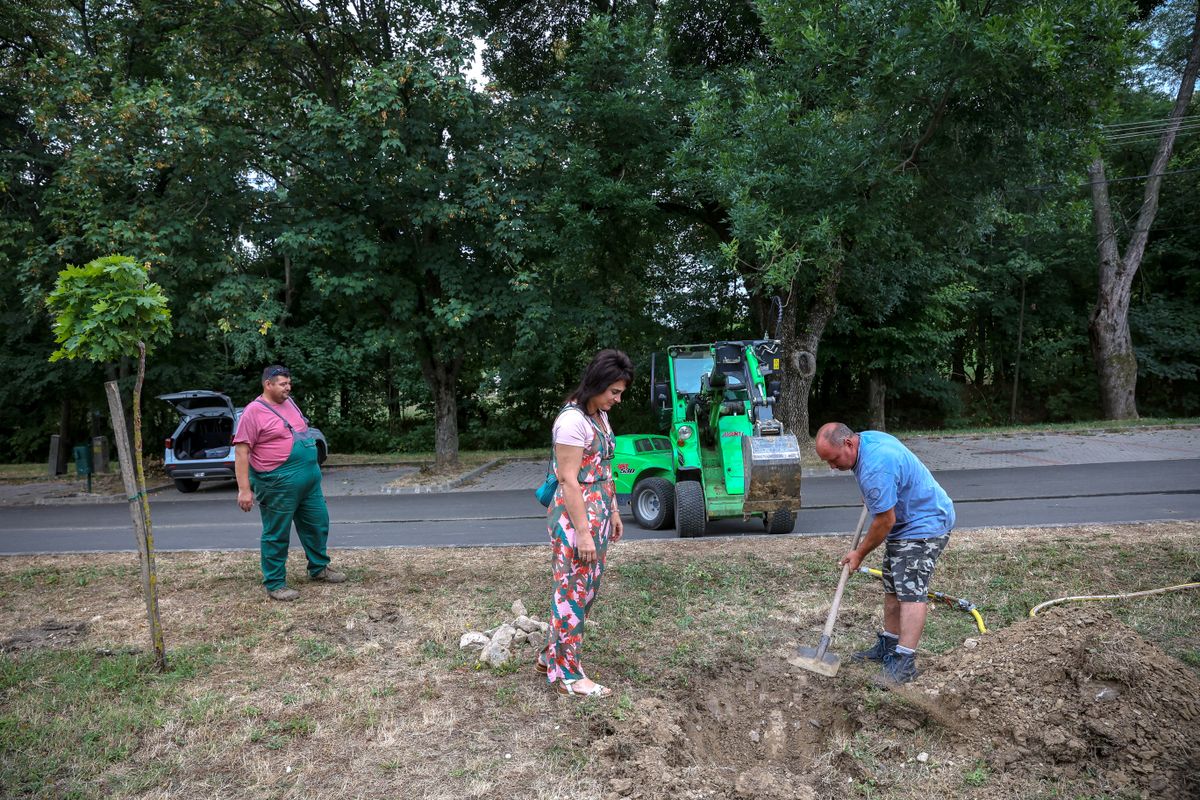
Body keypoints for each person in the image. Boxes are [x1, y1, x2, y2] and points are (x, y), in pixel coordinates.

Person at [814, 422, 955, 684]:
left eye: (833, 460)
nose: (832, 467)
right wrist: (876, 495)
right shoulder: (866, 442)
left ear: (848, 443)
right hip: (905, 523)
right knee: (893, 586)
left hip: (924, 524)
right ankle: (890, 646)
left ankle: (904, 663)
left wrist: (859, 554)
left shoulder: (875, 466)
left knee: (910, 591)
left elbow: (884, 521)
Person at [536, 349, 633, 698]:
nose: (617, 399)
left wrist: (616, 512)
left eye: (620, 393)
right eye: (614, 392)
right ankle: (569, 676)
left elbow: (604, 470)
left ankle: (551, 658)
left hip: (600, 514)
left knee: (585, 592)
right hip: (575, 519)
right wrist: (583, 532)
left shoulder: (600, 415)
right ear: (598, 383)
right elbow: (569, 481)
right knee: (572, 592)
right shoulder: (572, 422)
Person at [234, 365, 345, 601]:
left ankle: (319, 568)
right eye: (283, 384)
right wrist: (244, 490)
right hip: (277, 485)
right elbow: (242, 453)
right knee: (277, 534)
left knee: (318, 523)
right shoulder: (253, 412)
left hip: (309, 483)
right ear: (268, 384)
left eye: (289, 383)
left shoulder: (290, 402)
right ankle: (275, 583)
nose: (288, 388)